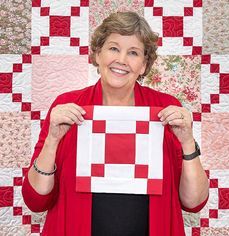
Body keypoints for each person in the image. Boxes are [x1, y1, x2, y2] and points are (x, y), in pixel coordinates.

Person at [22, 11, 209, 236]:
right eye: (113, 48)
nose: (121, 60)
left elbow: (194, 202)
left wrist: (188, 142)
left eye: (133, 52)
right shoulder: (67, 106)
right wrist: (52, 140)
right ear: (97, 54)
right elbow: (36, 200)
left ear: (144, 65)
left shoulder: (165, 110)